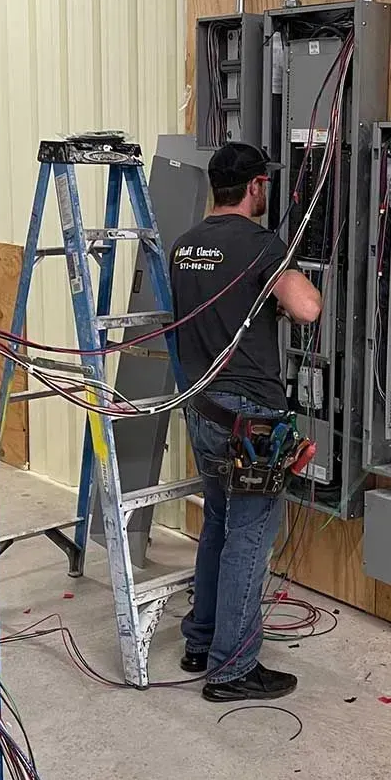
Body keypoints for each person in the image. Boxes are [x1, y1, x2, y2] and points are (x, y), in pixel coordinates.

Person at [170, 141, 322, 701]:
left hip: (202, 408)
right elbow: (308, 307)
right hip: (249, 419)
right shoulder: (259, 245)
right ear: (255, 186)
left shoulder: (185, 245)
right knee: (249, 539)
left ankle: (201, 638)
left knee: (217, 524)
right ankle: (232, 670)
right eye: (266, 184)